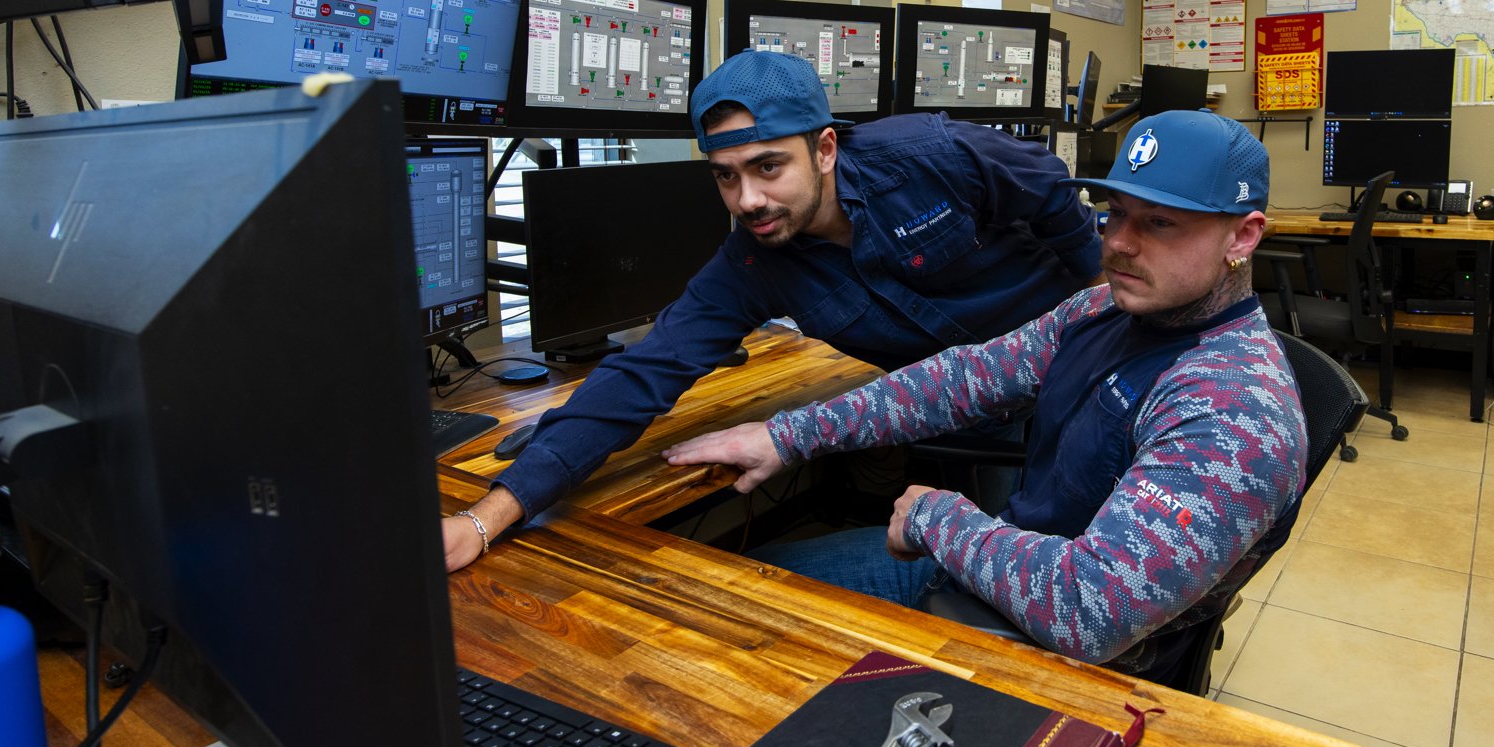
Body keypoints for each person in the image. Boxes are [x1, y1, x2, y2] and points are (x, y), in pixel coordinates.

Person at [662, 110, 1305, 678]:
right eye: (1114, 216)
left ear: (1243, 237)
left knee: (744, 610)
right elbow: (962, 379)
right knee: (747, 570)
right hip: (998, 567)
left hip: (1054, 655)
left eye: (1159, 224)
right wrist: (787, 435)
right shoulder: (1101, 310)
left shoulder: (1234, 406)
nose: (1117, 244)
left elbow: (1092, 612)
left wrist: (935, 518)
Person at [442, 50, 1101, 571]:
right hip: (968, 422)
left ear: (824, 149)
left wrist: (1110, 329)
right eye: (726, 176)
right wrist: (486, 517)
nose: (748, 198)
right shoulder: (753, 264)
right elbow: (642, 374)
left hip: (1081, 382)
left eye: (767, 167)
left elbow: (1051, 195)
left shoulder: (927, 155)